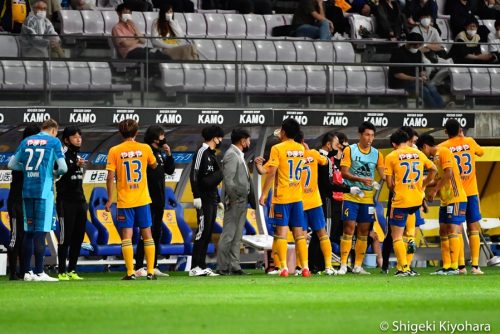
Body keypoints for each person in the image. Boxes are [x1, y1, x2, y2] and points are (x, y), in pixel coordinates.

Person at [8, 119, 67, 282]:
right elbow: (63, 168)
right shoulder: (54, 142)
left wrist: (27, 169)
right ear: (54, 130)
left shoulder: (26, 141)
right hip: (43, 192)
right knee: (40, 232)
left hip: (26, 191)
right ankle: (40, 272)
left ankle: (27, 272)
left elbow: (12, 164)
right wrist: (54, 174)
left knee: (28, 231)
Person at [255, 119, 309, 277]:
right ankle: (305, 267)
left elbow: (271, 173)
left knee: (281, 234)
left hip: (282, 197)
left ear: (284, 132)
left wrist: (264, 194)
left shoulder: (277, 148)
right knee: (300, 234)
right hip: (297, 197)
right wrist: (260, 166)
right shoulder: (300, 148)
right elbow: (267, 169)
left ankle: (283, 268)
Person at [105, 119, 158, 280]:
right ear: (137, 132)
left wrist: (109, 199)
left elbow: (110, 176)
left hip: (125, 200)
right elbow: (154, 165)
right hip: (142, 199)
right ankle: (150, 272)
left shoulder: (114, 150)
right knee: (147, 234)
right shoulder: (145, 148)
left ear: (120, 133)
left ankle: (130, 272)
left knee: (126, 236)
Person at [384, 130, 436, 277]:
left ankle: (403, 268)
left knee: (397, 236)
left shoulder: (391, 156)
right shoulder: (418, 154)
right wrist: (423, 184)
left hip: (401, 200)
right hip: (416, 200)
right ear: (407, 140)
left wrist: (398, 188)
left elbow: (389, 184)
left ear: (394, 144)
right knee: (411, 236)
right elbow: (433, 169)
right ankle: (408, 266)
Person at [308, 132, 360, 273]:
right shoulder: (324, 160)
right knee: (323, 234)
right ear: (329, 144)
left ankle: (312, 266)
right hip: (324, 200)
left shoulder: (315, 156)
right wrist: (348, 189)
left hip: (312, 198)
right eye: (337, 144)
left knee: (318, 233)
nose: (338, 147)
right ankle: (319, 266)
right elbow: (328, 184)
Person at [338, 121, 385, 275]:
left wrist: (385, 180)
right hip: (352, 194)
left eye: (372, 135)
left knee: (364, 231)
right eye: (367, 134)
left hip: (367, 197)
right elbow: (343, 172)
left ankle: (358, 265)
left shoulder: (377, 154)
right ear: (360, 135)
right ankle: (343, 265)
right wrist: (360, 179)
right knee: (349, 228)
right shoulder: (350, 150)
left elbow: (383, 174)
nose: (370, 138)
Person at [417, 134, 467, 276]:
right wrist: (423, 185)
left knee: (452, 229)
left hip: (456, 198)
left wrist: (435, 190)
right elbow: (439, 178)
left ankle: (455, 266)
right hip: (445, 200)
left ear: (425, 146)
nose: (423, 154)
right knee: (443, 231)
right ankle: (446, 266)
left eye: (422, 151)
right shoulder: (436, 157)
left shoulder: (443, 151)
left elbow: (449, 174)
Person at [439, 119, 485, 275]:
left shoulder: (443, 147)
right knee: (473, 227)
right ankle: (476, 266)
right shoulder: (469, 141)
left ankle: (460, 267)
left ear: (446, 132)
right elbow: (481, 152)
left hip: (456, 194)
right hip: (471, 192)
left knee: (456, 228)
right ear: (460, 129)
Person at [134, 125, 175, 278]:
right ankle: (139, 266)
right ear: (154, 138)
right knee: (145, 233)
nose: (164, 137)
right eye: (162, 135)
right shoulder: (146, 151)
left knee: (157, 232)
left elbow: (170, 170)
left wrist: (169, 154)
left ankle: (153, 264)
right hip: (147, 199)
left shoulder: (159, 153)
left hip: (159, 200)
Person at [294, 131, 337, 276]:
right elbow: (325, 161)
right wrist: (308, 151)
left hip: (299, 202)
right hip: (314, 200)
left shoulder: (292, 157)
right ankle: (329, 266)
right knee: (323, 234)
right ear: (303, 140)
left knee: (302, 236)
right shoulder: (312, 153)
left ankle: (302, 267)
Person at [216, 128, 253, 276]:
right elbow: (229, 180)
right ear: (243, 141)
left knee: (237, 235)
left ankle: (234, 265)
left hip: (242, 200)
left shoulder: (238, 154)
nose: (249, 142)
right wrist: (233, 198)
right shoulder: (231, 155)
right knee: (229, 234)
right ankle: (223, 266)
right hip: (235, 200)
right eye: (248, 140)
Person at [189, 126, 225, 277]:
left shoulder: (212, 154)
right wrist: (196, 195)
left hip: (211, 199)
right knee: (202, 231)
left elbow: (215, 180)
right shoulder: (201, 152)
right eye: (220, 137)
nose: (221, 140)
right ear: (214, 137)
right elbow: (194, 174)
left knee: (208, 232)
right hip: (202, 199)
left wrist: (218, 199)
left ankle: (202, 265)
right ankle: (195, 267)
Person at [6, 125, 40, 280]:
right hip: (16, 201)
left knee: (26, 235)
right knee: (16, 236)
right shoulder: (21, 153)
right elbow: (13, 166)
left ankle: (23, 271)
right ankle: (13, 273)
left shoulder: (34, 154)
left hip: (27, 200)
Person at [55, 127, 87, 281]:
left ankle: (72, 269)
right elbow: (60, 174)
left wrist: (77, 164)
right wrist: (75, 165)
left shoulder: (78, 156)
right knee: (64, 237)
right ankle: (61, 271)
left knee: (78, 237)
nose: (78, 139)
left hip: (80, 202)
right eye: (75, 137)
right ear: (66, 140)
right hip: (65, 202)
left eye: (80, 136)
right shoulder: (61, 156)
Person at [388, 32, 445, 109]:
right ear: (408, 43)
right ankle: (433, 110)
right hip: (400, 81)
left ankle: (442, 108)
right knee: (424, 90)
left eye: (419, 45)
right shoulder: (397, 53)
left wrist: (423, 75)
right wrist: (416, 78)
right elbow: (397, 74)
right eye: (415, 45)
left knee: (431, 87)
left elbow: (421, 69)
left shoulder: (418, 53)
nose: (417, 47)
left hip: (416, 80)